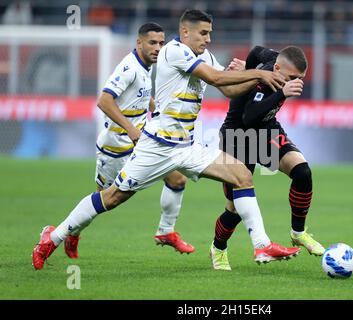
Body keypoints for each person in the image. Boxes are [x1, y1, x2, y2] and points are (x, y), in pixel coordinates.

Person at [32, 9, 299, 271]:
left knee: (242, 175)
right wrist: (259, 73)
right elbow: (216, 77)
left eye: (210, 34)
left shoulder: (204, 55)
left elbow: (228, 89)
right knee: (113, 197)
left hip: (187, 147)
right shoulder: (174, 51)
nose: (208, 39)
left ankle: (261, 245)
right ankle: (53, 238)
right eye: (203, 33)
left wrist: (257, 80)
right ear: (185, 32)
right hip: (157, 147)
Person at [56, 22, 195, 263]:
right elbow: (104, 101)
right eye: (152, 43)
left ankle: (165, 231)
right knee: (104, 199)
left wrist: (156, 108)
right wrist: (130, 129)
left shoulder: (148, 67)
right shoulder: (129, 68)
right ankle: (71, 231)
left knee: (177, 178)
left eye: (161, 43)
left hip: (142, 141)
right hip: (115, 147)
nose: (158, 48)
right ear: (138, 43)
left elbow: (140, 97)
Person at [209, 45, 325, 270]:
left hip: (266, 131)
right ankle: (218, 247)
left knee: (302, 172)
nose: (296, 82)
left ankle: (298, 233)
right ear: (278, 68)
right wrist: (276, 89)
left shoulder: (272, 59)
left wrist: (249, 68)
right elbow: (249, 116)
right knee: (235, 209)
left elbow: (255, 51)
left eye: (300, 78)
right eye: (292, 77)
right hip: (238, 137)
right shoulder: (263, 84)